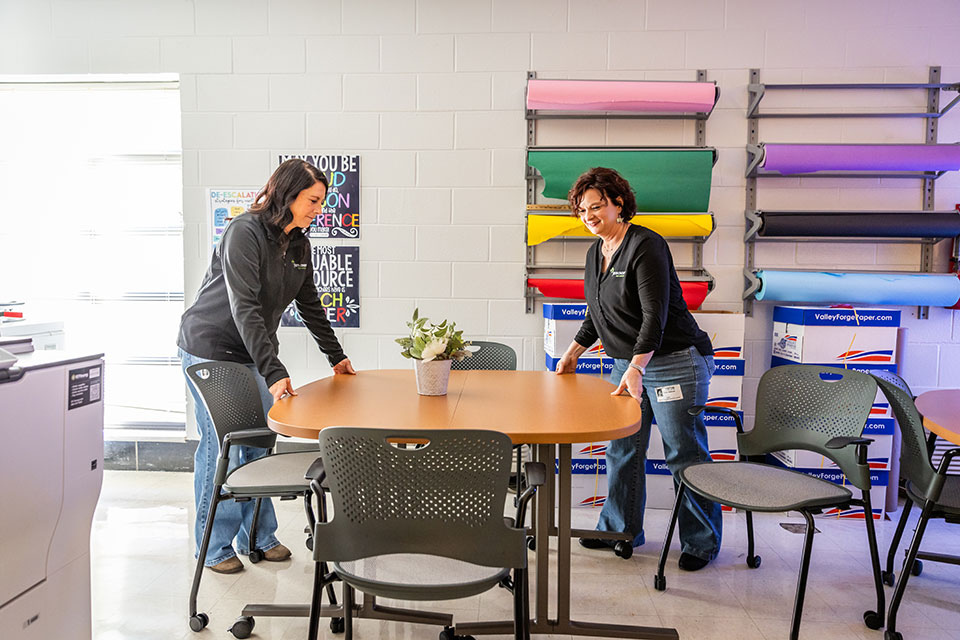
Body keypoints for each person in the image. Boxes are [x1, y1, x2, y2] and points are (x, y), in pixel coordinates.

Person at [177, 159, 355, 574]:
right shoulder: (245, 232)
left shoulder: (298, 242)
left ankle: (257, 536)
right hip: (212, 346)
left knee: (260, 440)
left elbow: (309, 303)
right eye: (312, 200)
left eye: (321, 202)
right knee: (224, 443)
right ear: (287, 194)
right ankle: (214, 546)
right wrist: (274, 373)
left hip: (252, 349)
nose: (317, 209)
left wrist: (337, 357)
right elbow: (244, 308)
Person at [554, 166, 721, 571]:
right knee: (623, 448)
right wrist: (574, 352)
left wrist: (637, 367)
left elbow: (654, 316)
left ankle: (701, 542)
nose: (589, 216)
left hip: (674, 364)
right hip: (627, 366)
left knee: (684, 452)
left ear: (619, 204)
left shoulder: (646, 245)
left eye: (596, 207)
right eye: (581, 210)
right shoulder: (596, 252)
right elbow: (598, 313)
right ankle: (620, 528)